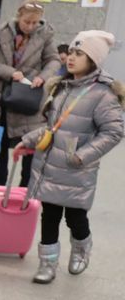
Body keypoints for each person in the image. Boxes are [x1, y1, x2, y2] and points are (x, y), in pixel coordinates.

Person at [20, 30, 125, 284]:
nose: (71, 58)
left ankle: (81, 246)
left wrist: (82, 156)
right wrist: (28, 140)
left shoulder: (103, 93)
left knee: (75, 216)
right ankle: (48, 264)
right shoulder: (62, 86)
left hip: (77, 167)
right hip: (50, 164)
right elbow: (53, 127)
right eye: (72, 52)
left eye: (80, 54)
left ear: (93, 59)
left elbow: (114, 131)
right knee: (50, 215)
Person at [0, 0, 61, 189]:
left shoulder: (45, 35)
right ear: (19, 16)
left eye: (35, 23)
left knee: (29, 148)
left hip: (29, 98)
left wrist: (42, 77)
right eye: (27, 22)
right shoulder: (3, 33)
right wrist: (10, 72)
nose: (30, 27)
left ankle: (24, 190)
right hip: (3, 98)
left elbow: (54, 61)